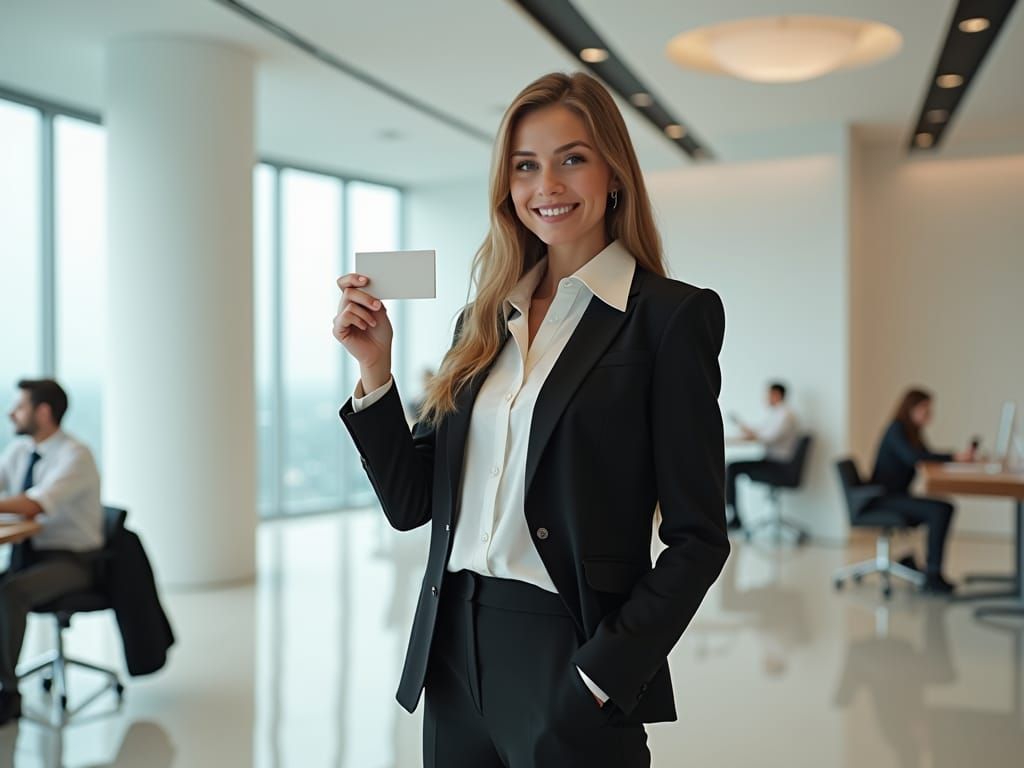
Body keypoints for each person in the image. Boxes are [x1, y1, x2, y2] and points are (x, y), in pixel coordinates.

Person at [332, 72, 729, 767]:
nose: (547, 184)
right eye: (525, 165)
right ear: (507, 187)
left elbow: (699, 538)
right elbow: (411, 502)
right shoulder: (483, 317)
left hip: (568, 650)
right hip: (453, 646)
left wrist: (602, 673)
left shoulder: (667, 318)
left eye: (572, 158)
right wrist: (375, 371)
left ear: (613, 174)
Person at [0, 379, 103, 725]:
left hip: (74, 561)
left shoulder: (74, 455)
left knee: (11, 592)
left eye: (20, 407)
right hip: (31, 556)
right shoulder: (20, 452)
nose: (12, 413)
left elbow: (35, 504)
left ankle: (8, 692)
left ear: (43, 412)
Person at [870, 388, 975, 594]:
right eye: (924, 409)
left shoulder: (912, 432)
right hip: (883, 498)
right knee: (940, 509)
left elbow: (925, 455)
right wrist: (954, 458)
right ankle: (932, 576)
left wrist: (956, 457)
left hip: (895, 495)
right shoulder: (896, 429)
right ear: (910, 409)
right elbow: (914, 458)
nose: (929, 414)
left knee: (941, 507)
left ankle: (926, 569)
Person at [725, 382, 799, 531]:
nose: (765, 399)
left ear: (776, 395)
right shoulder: (776, 414)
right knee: (732, 467)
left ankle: (735, 517)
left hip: (779, 466)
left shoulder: (786, 415)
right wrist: (746, 431)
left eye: (768, 395)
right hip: (773, 462)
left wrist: (750, 436)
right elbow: (760, 431)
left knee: (732, 468)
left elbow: (768, 438)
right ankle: (734, 515)